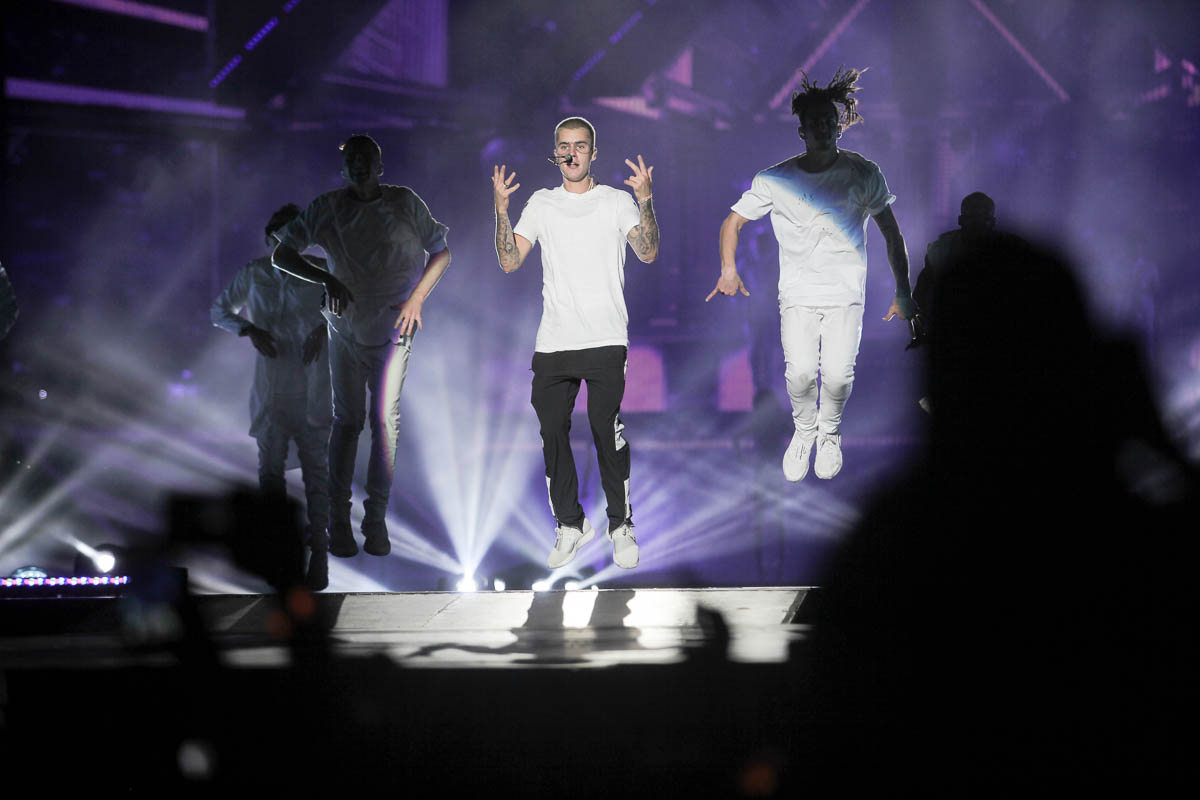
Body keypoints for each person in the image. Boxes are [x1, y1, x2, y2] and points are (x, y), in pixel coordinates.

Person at [708, 67, 913, 481]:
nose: (821, 128)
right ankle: (804, 433)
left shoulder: (863, 173)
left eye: (827, 121)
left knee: (837, 376)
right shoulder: (775, 179)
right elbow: (732, 223)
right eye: (813, 123)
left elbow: (892, 233)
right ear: (801, 131)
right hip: (798, 296)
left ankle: (829, 434)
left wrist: (903, 291)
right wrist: (728, 269)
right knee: (800, 374)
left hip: (844, 296)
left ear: (838, 126)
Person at [492, 117, 659, 570]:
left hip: (605, 337)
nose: (571, 154)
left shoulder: (615, 201)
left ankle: (620, 524)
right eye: (564, 146)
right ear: (554, 151)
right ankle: (570, 524)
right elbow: (510, 260)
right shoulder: (542, 204)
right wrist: (501, 210)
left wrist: (645, 202)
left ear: (593, 152)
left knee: (606, 429)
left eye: (580, 146)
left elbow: (646, 251)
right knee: (551, 430)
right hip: (555, 342)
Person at [272, 134, 451, 559]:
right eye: (351, 159)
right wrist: (327, 278)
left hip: (394, 330)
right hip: (346, 331)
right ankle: (339, 523)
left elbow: (441, 252)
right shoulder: (327, 208)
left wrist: (416, 298)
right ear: (343, 168)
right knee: (348, 422)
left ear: (380, 165)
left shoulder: (404, 202)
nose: (358, 165)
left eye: (366, 159)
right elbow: (283, 254)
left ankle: (375, 522)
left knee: (383, 423)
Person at [211, 204, 331, 589]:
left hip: (311, 386)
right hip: (272, 389)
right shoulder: (254, 273)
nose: (284, 242)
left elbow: (350, 309)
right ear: (268, 239)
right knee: (270, 476)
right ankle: (281, 560)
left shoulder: (319, 270)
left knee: (316, 476)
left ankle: (319, 559)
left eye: (292, 235)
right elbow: (220, 311)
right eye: (278, 236)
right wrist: (249, 329)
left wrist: (324, 329)